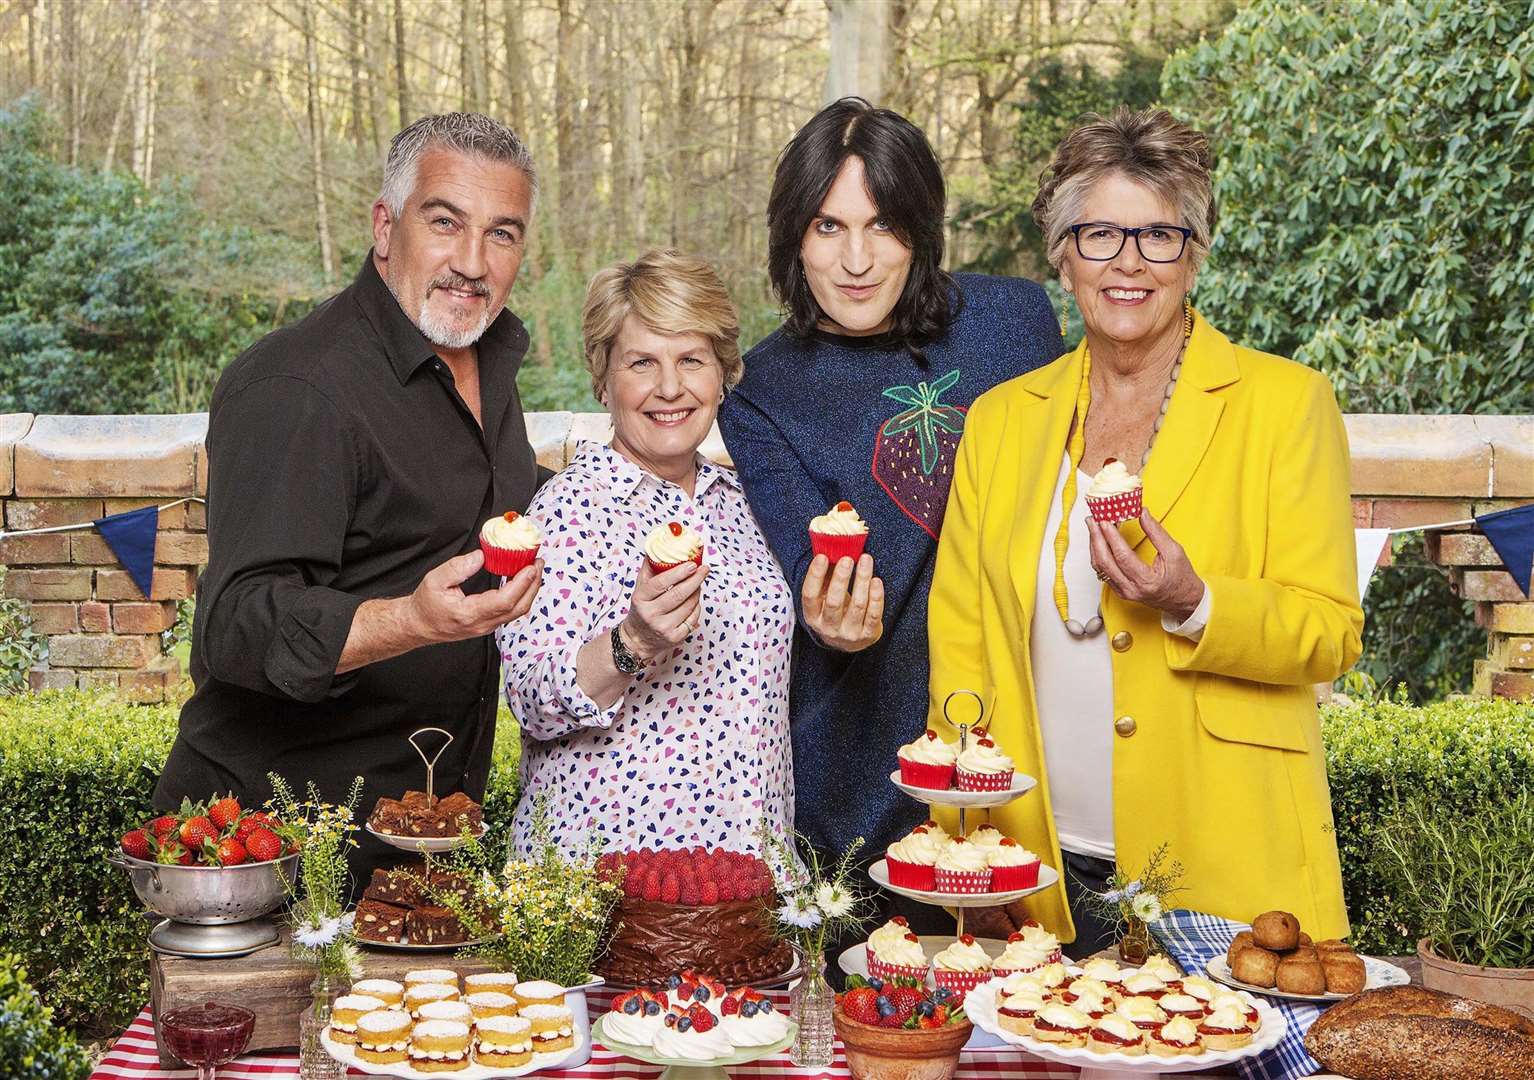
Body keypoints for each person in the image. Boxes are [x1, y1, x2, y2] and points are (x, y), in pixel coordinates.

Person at [927, 107, 1363, 954]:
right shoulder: (1000, 420)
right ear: (1061, 254)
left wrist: (1196, 601)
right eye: (1098, 235)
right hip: (1035, 875)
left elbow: (1330, 632)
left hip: (1225, 873)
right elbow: (963, 650)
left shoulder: (1286, 404)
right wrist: (964, 848)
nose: (1128, 262)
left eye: (1159, 235)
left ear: (1195, 253)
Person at [154, 113, 545, 895]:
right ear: (383, 226)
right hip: (276, 850)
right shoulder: (298, 388)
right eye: (445, 223)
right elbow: (235, 625)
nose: (472, 262)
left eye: (502, 234)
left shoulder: (487, 358)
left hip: (421, 841)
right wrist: (412, 620)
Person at [716, 99, 1061, 907]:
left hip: (1014, 752)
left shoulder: (1015, 323)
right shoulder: (762, 390)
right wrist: (830, 616)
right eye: (828, 227)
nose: (857, 259)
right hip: (859, 775)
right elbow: (807, 559)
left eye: (883, 226)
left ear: (922, 228)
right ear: (792, 236)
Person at [497, 250, 794, 859]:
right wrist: (631, 642)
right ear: (604, 378)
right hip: (603, 886)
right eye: (642, 362)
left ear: (723, 374)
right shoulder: (562, 513)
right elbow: (531, 700)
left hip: (748, 874)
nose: (669, 387)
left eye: (691, 359)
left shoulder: (748, 505)